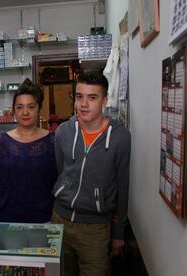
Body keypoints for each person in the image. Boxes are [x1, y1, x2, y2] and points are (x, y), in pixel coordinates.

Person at [51, 72, 131, 276]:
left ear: (104, 101)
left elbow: (123, 186)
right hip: (59, 220)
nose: (83, 104)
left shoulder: (120, 138)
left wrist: (119, 232)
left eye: (92, 97)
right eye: (79, 96)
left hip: (95, 229)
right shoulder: (63, 132)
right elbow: (61, 171)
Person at [0, 79, 58, 223]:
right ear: (13, 110)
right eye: (20, 107)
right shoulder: (1, 142)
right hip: (7, 219)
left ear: (39, 108)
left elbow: (58, 182)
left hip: (44, 219)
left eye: (31, 107)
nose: (25, 112)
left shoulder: (52, 142)